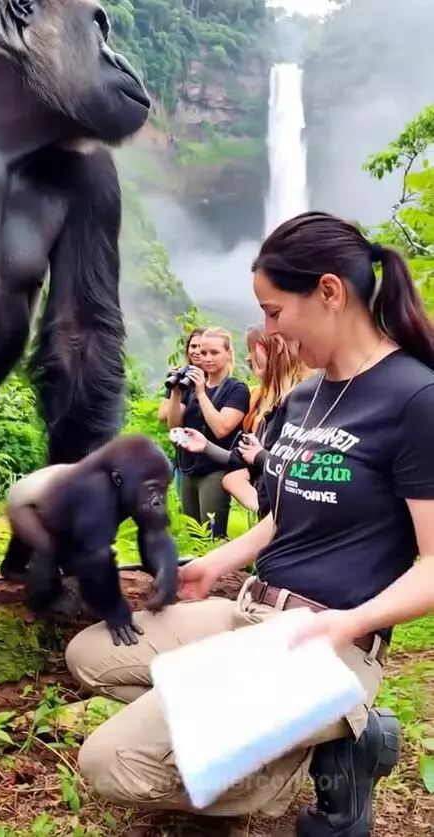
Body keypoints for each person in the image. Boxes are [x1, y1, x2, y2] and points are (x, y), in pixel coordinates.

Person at [65, 210, 434, 835]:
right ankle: (266, 731)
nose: (270, 330)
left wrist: (351, 623)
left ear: (329, 292)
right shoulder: (304, 397)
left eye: (273, 311)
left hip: (328, 640)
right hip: (251, 613)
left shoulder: (415, 399)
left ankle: (318, 750)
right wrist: (215, 564)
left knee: (109, 762)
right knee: (93, 655)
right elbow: (282, 516)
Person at [176, 330, 309, 518]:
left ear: (277, 350)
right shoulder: (265, 403)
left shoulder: (301, 402)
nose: (248, 357)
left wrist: (261, 456)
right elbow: (242, 458)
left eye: (253, 350)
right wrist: (206, 446)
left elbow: (298, 466)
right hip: (272, 507)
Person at [167, 327, 250, 539]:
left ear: (228, 353)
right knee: (194, 535)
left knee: (212, 536)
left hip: (215, 471)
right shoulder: (191, 388)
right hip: (189, 469)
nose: (207, 358)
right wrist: (176, 394)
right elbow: (173, 424)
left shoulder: (237, 389)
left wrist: (202, 392)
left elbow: (222, 428)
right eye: (203, 353)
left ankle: (221, 572)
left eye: (214, 353)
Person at [157, 327, 206, 496]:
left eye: (201, 347)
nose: (197, 352)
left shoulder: (213, 381)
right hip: (183, 458)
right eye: (193, 347)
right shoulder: (179, 378)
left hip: (207, 461)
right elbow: (163, 415)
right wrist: (177, 390)